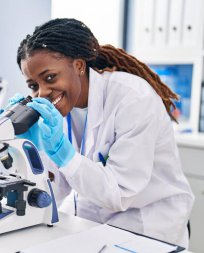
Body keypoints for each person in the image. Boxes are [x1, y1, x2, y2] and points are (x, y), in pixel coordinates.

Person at [11, 18, 194, 247]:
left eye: (50, 78)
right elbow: (55, 193)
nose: (42, 93)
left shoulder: (132, 98)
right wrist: (33, 151)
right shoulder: (60, 111)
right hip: (91, 219)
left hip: (148, 224)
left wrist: (63, 154)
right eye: (33, 85)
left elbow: (119, 193)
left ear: (79, 65)